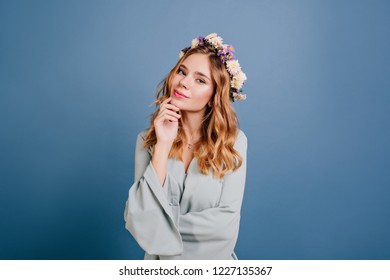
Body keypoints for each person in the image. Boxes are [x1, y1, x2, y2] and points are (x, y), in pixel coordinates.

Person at [124, 33, 248, 260]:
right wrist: (163, 144)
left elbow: (225, 226)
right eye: (182, 71)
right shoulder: (147, 140)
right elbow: (139, 218)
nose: (184, 82)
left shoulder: (234, 142)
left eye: (200, 80)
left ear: (213, 95)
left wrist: (158, 226)